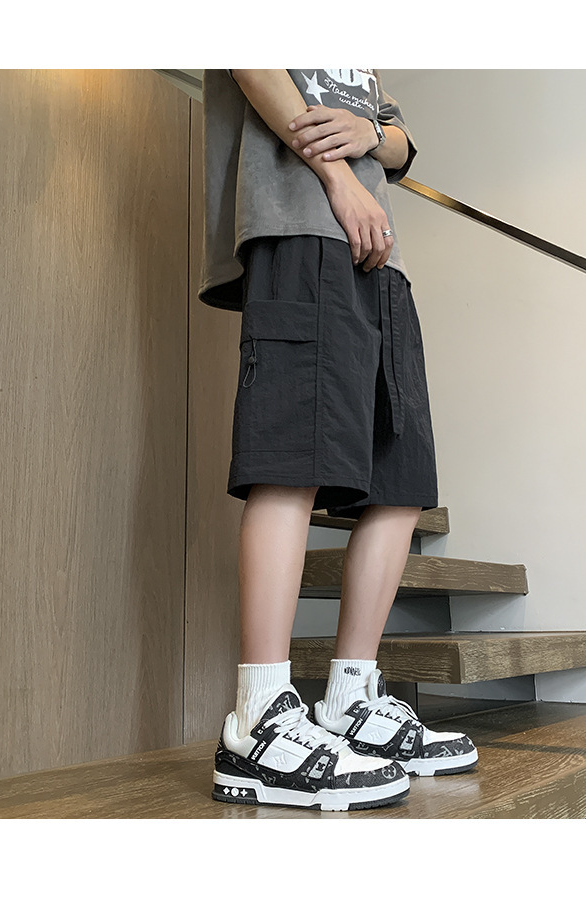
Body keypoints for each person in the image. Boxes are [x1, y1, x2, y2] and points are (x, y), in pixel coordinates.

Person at [199, 69, 478, 812]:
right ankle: (257, 717)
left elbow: (400, 140)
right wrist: (340, 178)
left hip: (381, 257)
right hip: (302, 227)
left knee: (400, 482)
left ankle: (352, 698)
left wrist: (370, 135)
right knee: (290, 462)